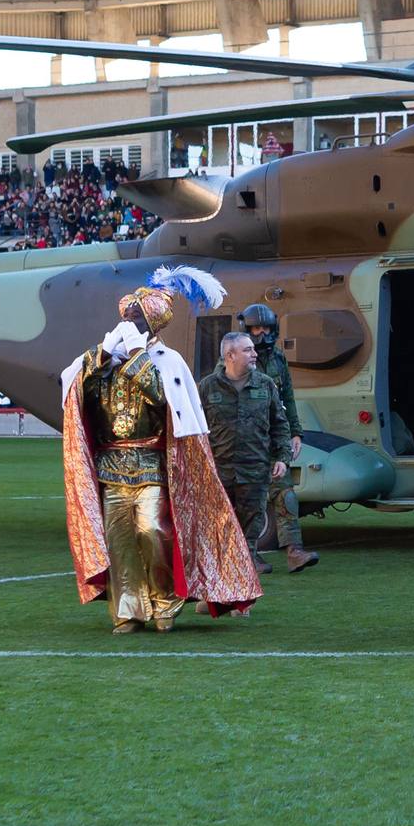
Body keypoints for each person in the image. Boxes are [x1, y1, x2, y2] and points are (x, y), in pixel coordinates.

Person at [59, 266, 261, 632]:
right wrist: (101, 357)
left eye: (136, 317)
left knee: (152, 530)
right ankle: (129, 610)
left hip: (151, 462)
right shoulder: (106, 360)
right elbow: (74, 394)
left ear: (152, 323)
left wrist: (136, 355)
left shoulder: (167, 363)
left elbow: (160, 395)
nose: (128, 322)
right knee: (119, 539)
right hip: (111, 463)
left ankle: (164, 600)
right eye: (127, 316)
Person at [200, 331, 297, 576]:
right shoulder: (207, 386)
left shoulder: (265, 384)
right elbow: (196, 431)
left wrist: (282, 459)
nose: (255, 354)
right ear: (230, 355)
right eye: (247, 350)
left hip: (255, 473)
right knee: (221, 532)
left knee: (249, 535)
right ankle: (218, 590)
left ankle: (242, 597)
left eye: (253, 349)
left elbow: (280, 424)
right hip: (219, 475)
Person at [238, 303, 317, 572]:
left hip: (274, 436)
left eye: (267, 327)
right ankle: (248, 556)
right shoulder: (233, 359)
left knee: (285, 495)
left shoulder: (278, 358)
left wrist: (295, 432)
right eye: (256, 328)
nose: (262, 333)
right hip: (246, 442)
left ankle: (294, 551)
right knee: (250, 499)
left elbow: (288, 398)